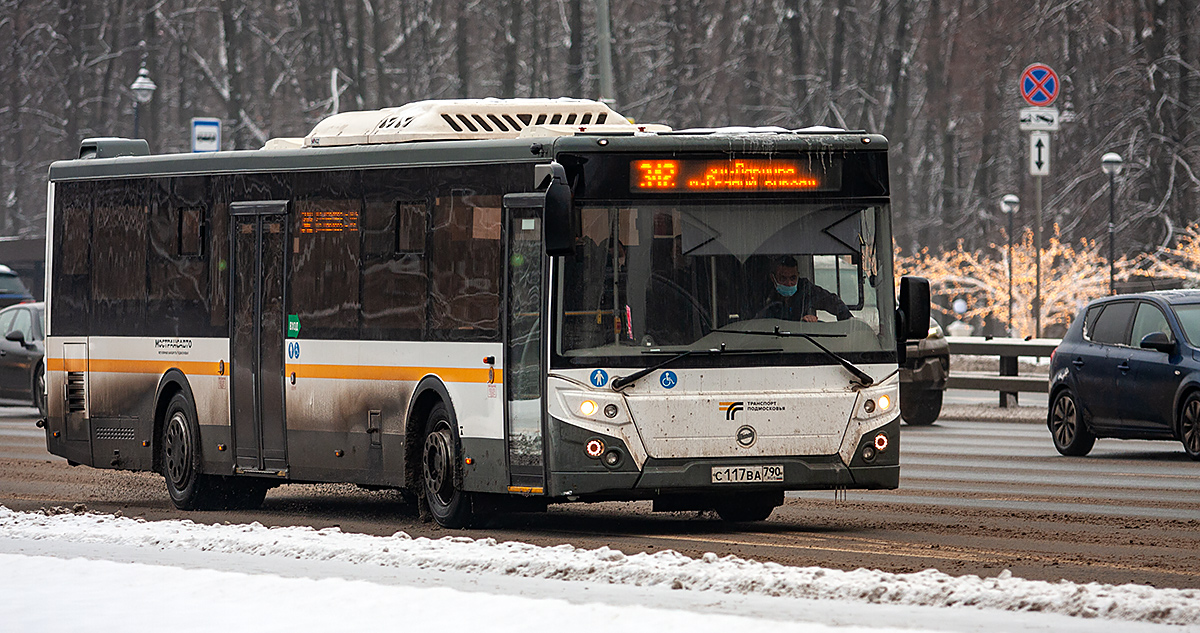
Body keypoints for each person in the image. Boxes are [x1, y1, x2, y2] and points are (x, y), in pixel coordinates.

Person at [756, 255, 852, 322]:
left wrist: (849, 322)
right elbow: (757, 321)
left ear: (798, 276)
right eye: (783, 278)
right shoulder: (763, 293)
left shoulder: (805, 289)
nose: (789, 283)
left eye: (793, 278)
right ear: (773, 278)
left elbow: (832, 301)